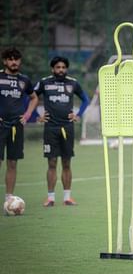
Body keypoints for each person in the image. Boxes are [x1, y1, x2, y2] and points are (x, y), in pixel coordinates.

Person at [34, 56, 89, 206]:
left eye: (63, 67)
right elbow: (30, 98)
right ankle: (50, 198)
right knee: (52, 162)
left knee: (66, 162)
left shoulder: (73, 83)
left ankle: (67, 197)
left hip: (67, 128)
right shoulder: (44, 82)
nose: (61, 70)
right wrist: (35, 116)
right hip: (50, 128)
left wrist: (78, 115)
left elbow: (86, 99)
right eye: (58, 67)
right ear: (52, 69)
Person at [0, 48, 38, 202]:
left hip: (17, 126)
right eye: (10, 59)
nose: (13, 62)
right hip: (1, 126)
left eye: (16, 59)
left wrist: (28, 114)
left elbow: (34, 98)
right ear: (4, 61)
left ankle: (9, 198)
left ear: (20, 61)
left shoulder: (24, 80)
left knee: (13, 162)